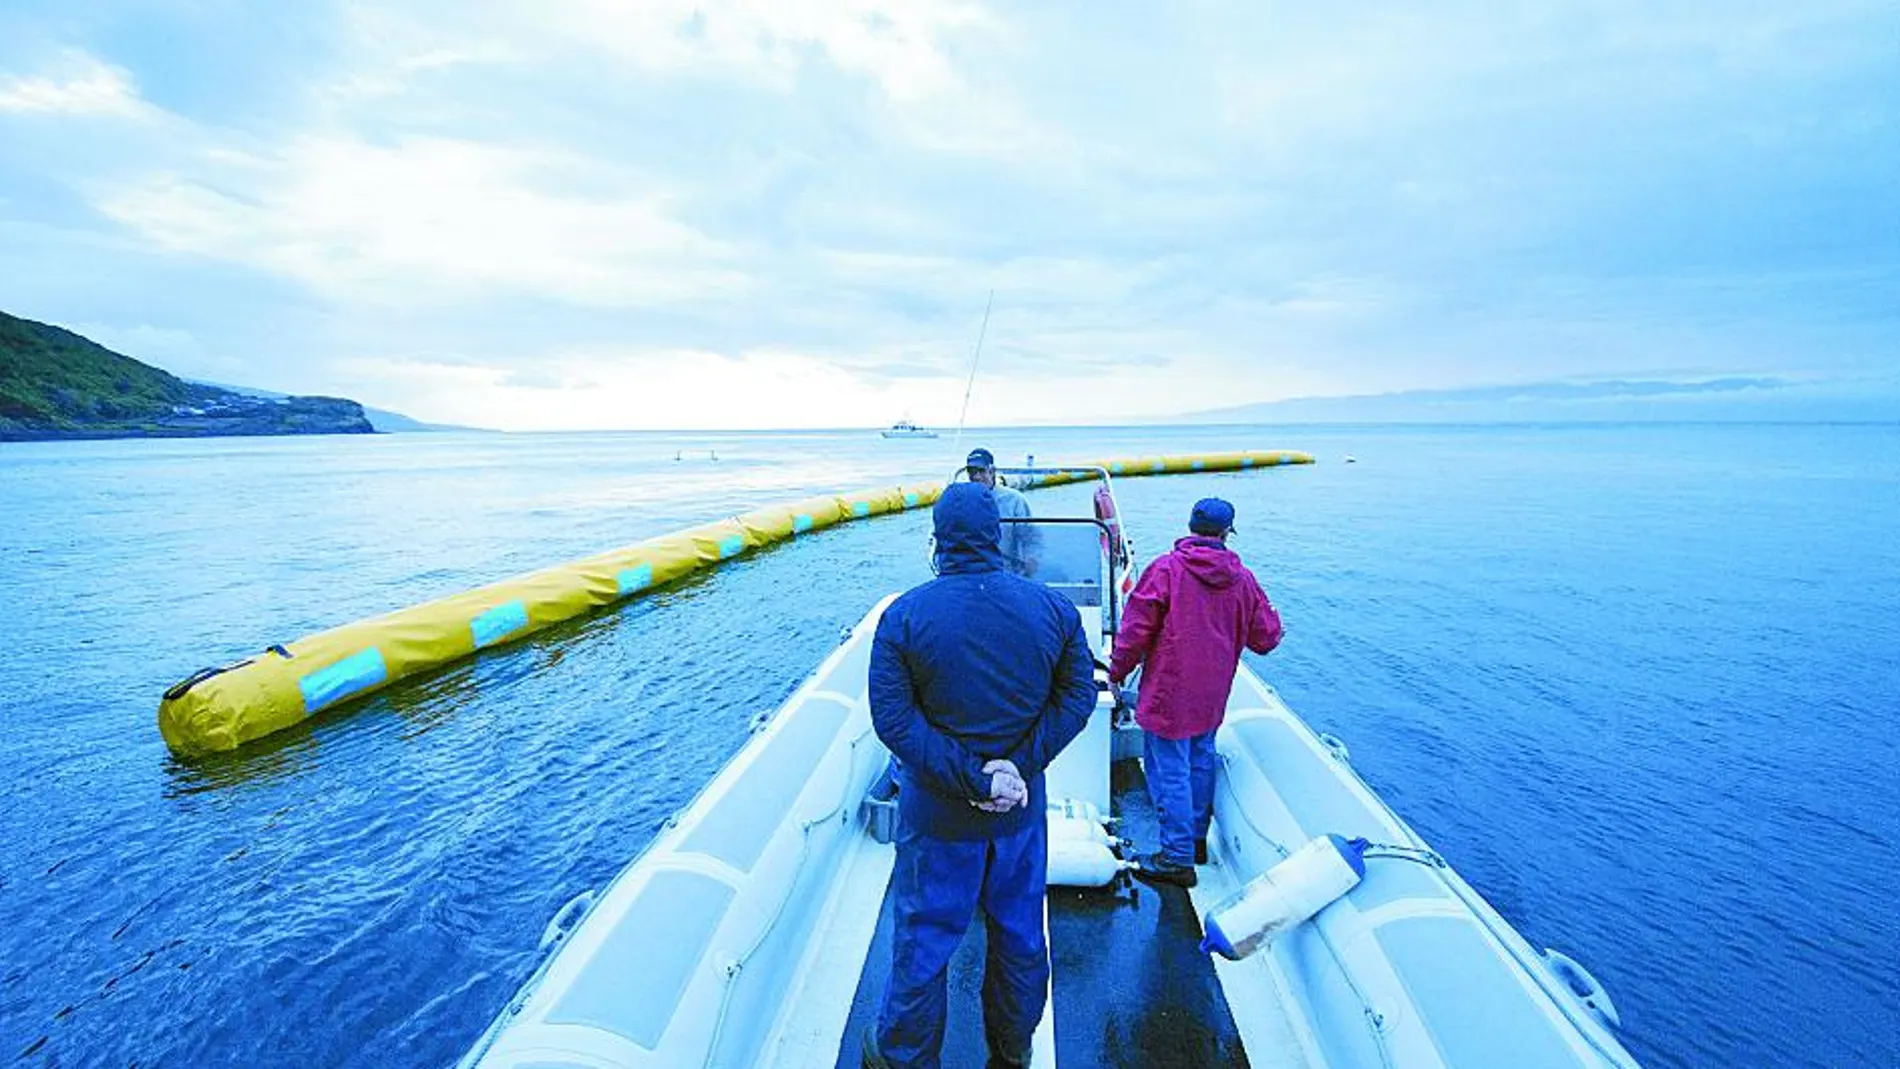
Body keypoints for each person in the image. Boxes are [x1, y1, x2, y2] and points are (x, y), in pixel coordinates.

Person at [865, 483, 1097, 1069]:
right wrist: (1015, 770)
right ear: (999, 537)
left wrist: (974, 778)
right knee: (1020, 939)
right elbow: (1077, 699)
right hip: (1018, 819)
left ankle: (904, 1057)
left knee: (924, 945)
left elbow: (894, 721)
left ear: (937, 541)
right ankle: (1012, 1051)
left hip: (938, 820)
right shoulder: (1055, 611)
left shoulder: (904, 617)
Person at [1107, 497, 1283, 888]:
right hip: (1213, 693)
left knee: (1168, 770)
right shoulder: (1244, 580)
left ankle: (1176, 856)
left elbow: (1135, 632)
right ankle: (1196, 843)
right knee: (1200, 762)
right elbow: (1267, 638)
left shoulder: (1166, 570)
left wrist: (1116, 673)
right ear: (1226, 534)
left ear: (1190, 527)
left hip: (1169, 692)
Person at [965, 447, 1038, 576]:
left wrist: (1030, 559)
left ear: (992, 471)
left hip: (1007, 572)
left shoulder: (1014, 500)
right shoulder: (962, 501)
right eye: (972, 472)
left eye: (982, 471)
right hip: (973, 573)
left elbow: (1030, 537)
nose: (976, 477)